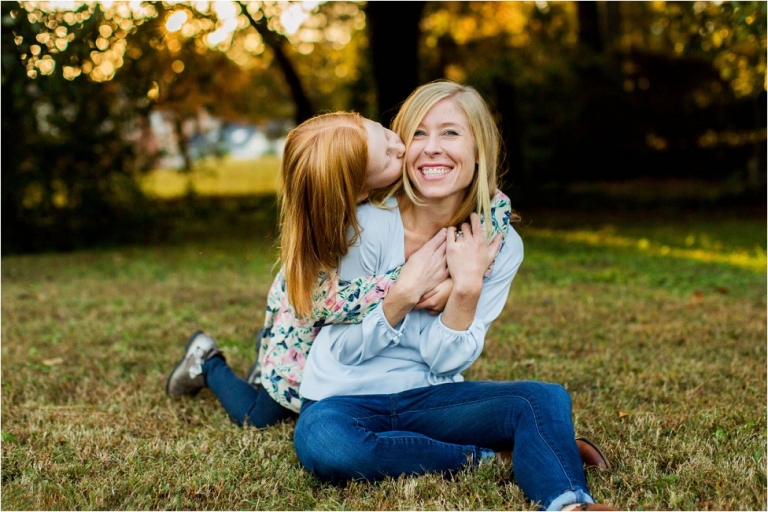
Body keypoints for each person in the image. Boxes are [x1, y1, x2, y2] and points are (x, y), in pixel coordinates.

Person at [292, 80, 614, 511]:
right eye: (419, 134)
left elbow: (446, 362)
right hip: (343, 400)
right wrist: (402, 294)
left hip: (430, 397)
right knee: (328, 444)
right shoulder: (363, 227)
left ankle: (569, 503)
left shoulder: (499, 245)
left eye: (450, 133)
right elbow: (346, 351)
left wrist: (466, 287)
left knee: (541, 398)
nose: (432, 148)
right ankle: (490, 458)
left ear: (478, 148)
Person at [165, 110, 515, 428]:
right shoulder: (336, 237)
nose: (400, 146)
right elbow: (329, 307)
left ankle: (263, 352)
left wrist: (461, 276)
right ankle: (207, 360)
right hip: (308, 326)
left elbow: (495, 202)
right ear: (362, 189)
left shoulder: (392, 176)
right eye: (388, 155)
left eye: (384, 132)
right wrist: (417, 282)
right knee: (261, 416)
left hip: (335, 331)